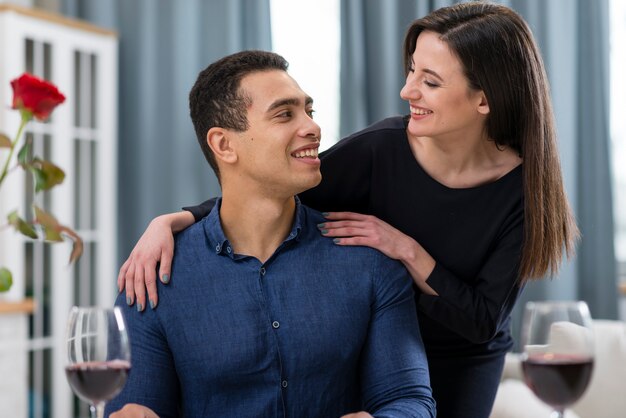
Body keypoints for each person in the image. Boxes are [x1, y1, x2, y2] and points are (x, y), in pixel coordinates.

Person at [117, 3, 579, 418]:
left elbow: (481, 323)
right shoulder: (378, 150)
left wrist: (405, 251)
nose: (406, 90)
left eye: (430, 81)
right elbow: (269, 192)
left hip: (462, 350)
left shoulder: (523, 191)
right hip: (375, 332)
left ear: (485, 100)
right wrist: (178, 221)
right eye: (412, 70)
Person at [106, 50, 436, 418]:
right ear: (224, 145)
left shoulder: (370, 262)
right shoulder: (152, 276)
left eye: (309, 111)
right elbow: (132, 407)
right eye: (284, 114)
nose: (312, 127)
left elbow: (411, 401)